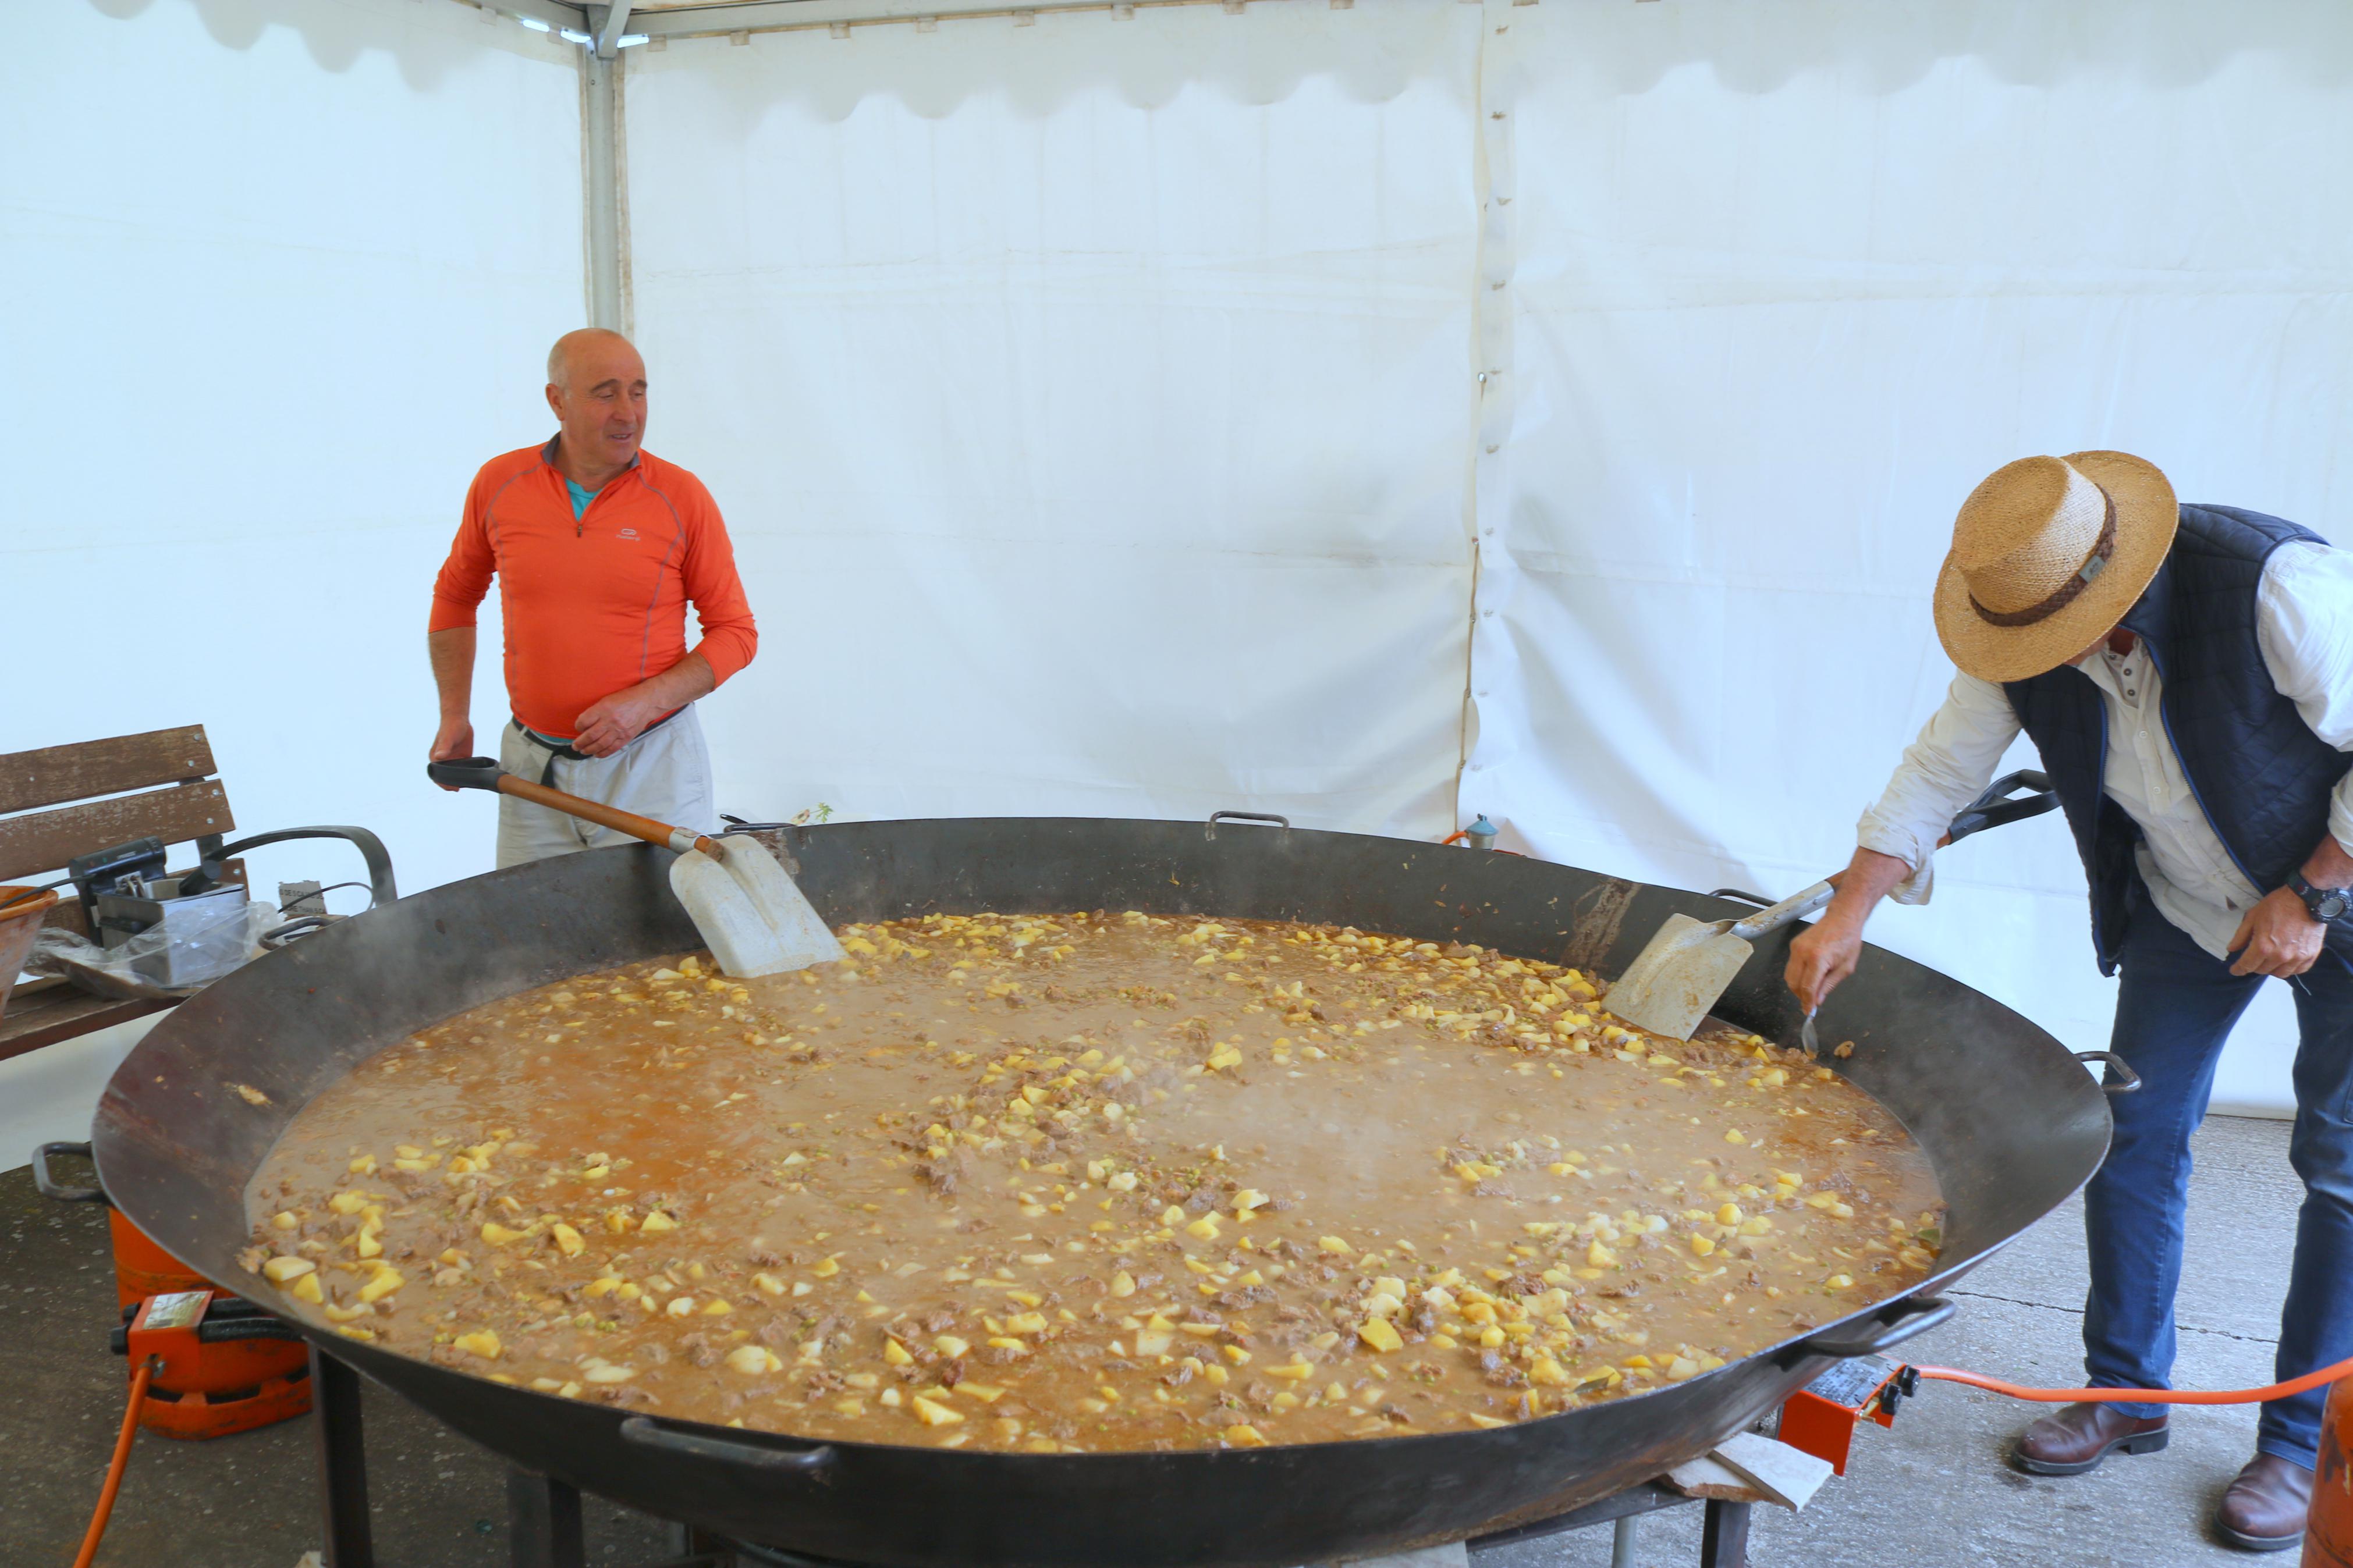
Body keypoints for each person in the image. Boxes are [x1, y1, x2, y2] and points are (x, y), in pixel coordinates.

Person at [1784, 451, 2353, 1553]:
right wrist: (1847, 909)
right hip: (2188, 909)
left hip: (2345, 898)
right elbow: (1935, 775)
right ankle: (2125, 1394)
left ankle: (2292, 1447)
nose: (2042, 656)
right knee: (2131, 1135)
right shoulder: (2018, 629)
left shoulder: (2273, 587)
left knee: (2339, 1173)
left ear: (2115, 574)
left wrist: (2312, 892)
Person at [427, 329, 758, 866]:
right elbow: (455, 597)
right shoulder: (499, 483)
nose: (628, 412)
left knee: (668, 944)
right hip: (533, 774)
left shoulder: (682, 497)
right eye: (605, 393)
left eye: (638, 391)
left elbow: (736, 634)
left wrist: (646, 702)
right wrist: (453, 716)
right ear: (557, 400)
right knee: (532, 939)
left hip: (652, 768)